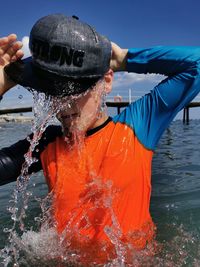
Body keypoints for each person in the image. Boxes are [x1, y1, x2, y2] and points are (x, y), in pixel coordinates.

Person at [1, 13, 200, 264]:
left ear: (106, 81)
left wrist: (124, 59)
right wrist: (2, 84)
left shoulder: (137, 125)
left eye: (76, 88)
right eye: (54, 90)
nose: (64, 103)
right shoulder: (46, 144)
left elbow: (197, 63)